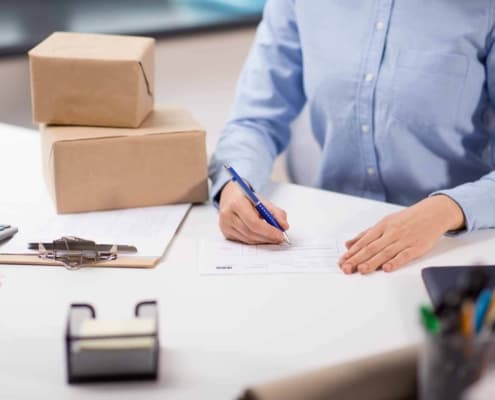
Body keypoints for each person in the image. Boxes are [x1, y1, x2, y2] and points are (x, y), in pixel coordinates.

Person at [208, 0, 495, 274]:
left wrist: (447, 209)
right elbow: (254, 120)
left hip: (455, 246)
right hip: (334, 242)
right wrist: (234, 188)